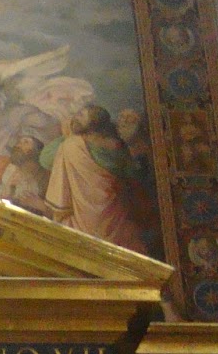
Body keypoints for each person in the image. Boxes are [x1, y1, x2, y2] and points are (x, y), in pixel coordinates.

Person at [40, 103, 150, 252]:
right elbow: (131, 174)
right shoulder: (117, 145)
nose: (75, 118)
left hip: (85, 215)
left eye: (81, 116)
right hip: (113, 212)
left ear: (93, 123)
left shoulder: (72, 145)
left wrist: (66, 136)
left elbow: (45, 159)